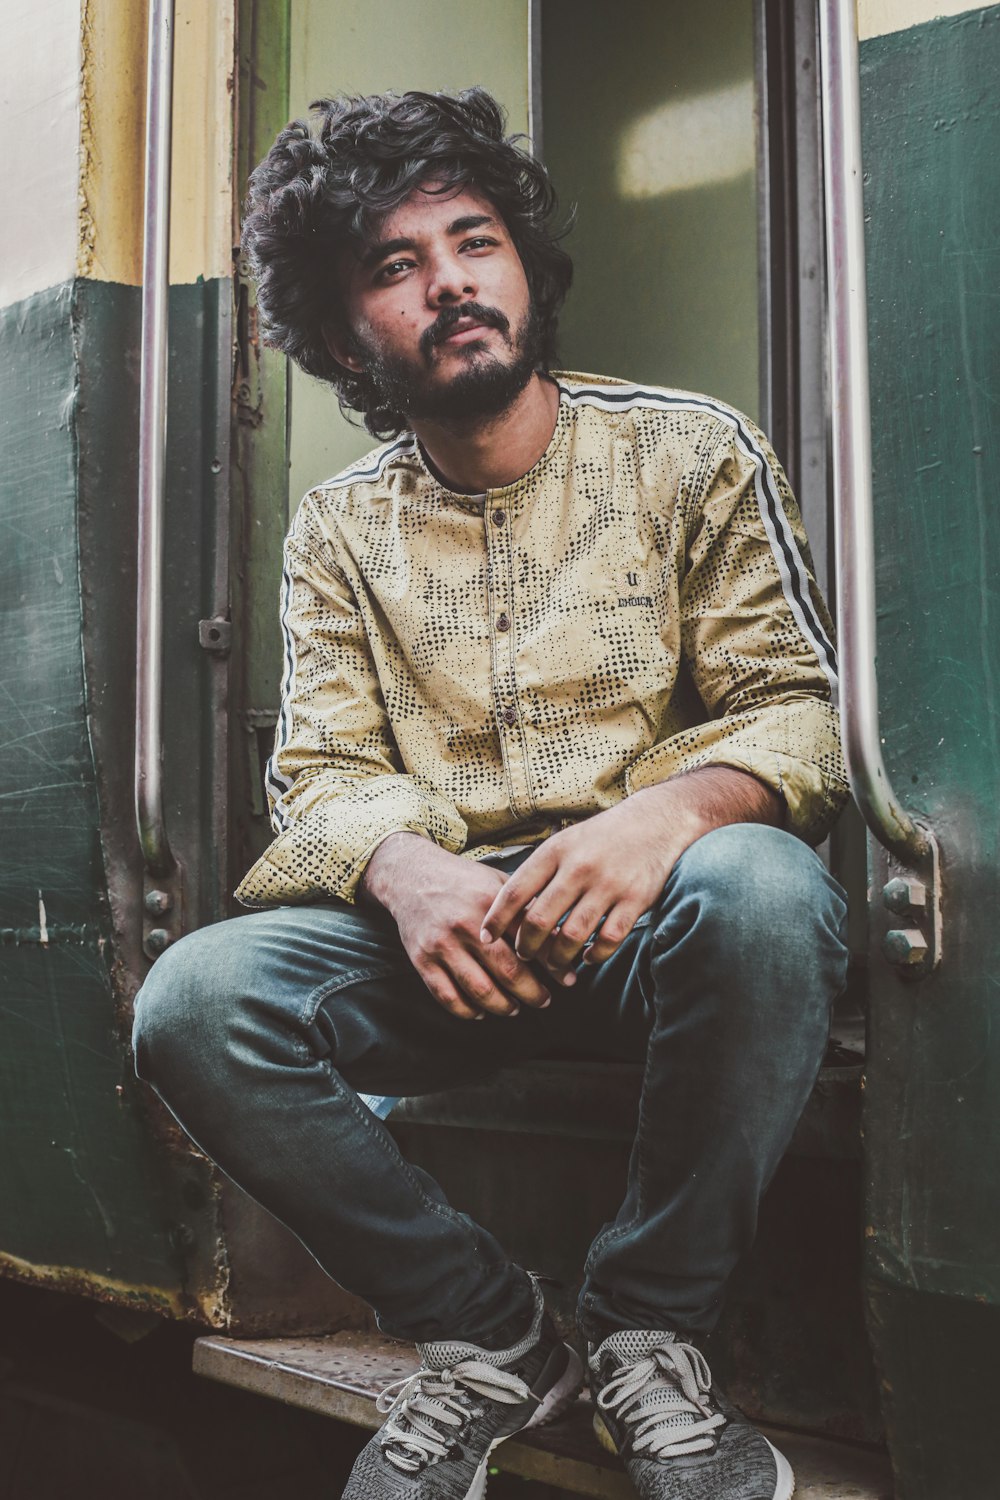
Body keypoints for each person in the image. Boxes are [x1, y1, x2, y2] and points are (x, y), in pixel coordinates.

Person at [132, 88, 849, 1500]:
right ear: (345, 336)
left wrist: (660, 821)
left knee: (765, 889)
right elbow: (324, 776)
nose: (452, 280)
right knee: (194, 1002)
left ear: (524, 267)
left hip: (659, 933)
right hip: (448, 947)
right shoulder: (340, 527)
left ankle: (652, 1333)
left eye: (476, 241)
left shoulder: (692, 450)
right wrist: (405, 874)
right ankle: (492, 1332)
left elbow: (802, 718)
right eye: (396, 265)